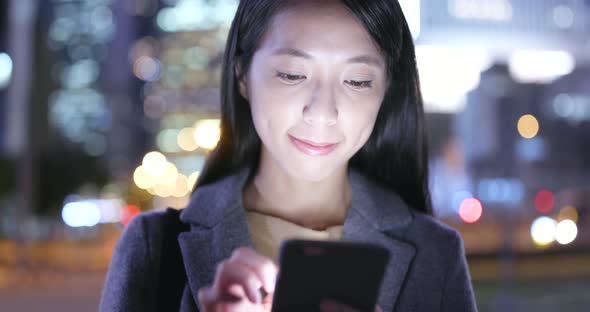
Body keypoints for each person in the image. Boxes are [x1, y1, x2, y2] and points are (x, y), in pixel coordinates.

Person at [100, 0, 478, 311]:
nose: (323, 112)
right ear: (242, 75)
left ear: (385, 92)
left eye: (358, 81)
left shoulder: (435, 254)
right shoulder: (154, 248)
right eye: (293, 75)